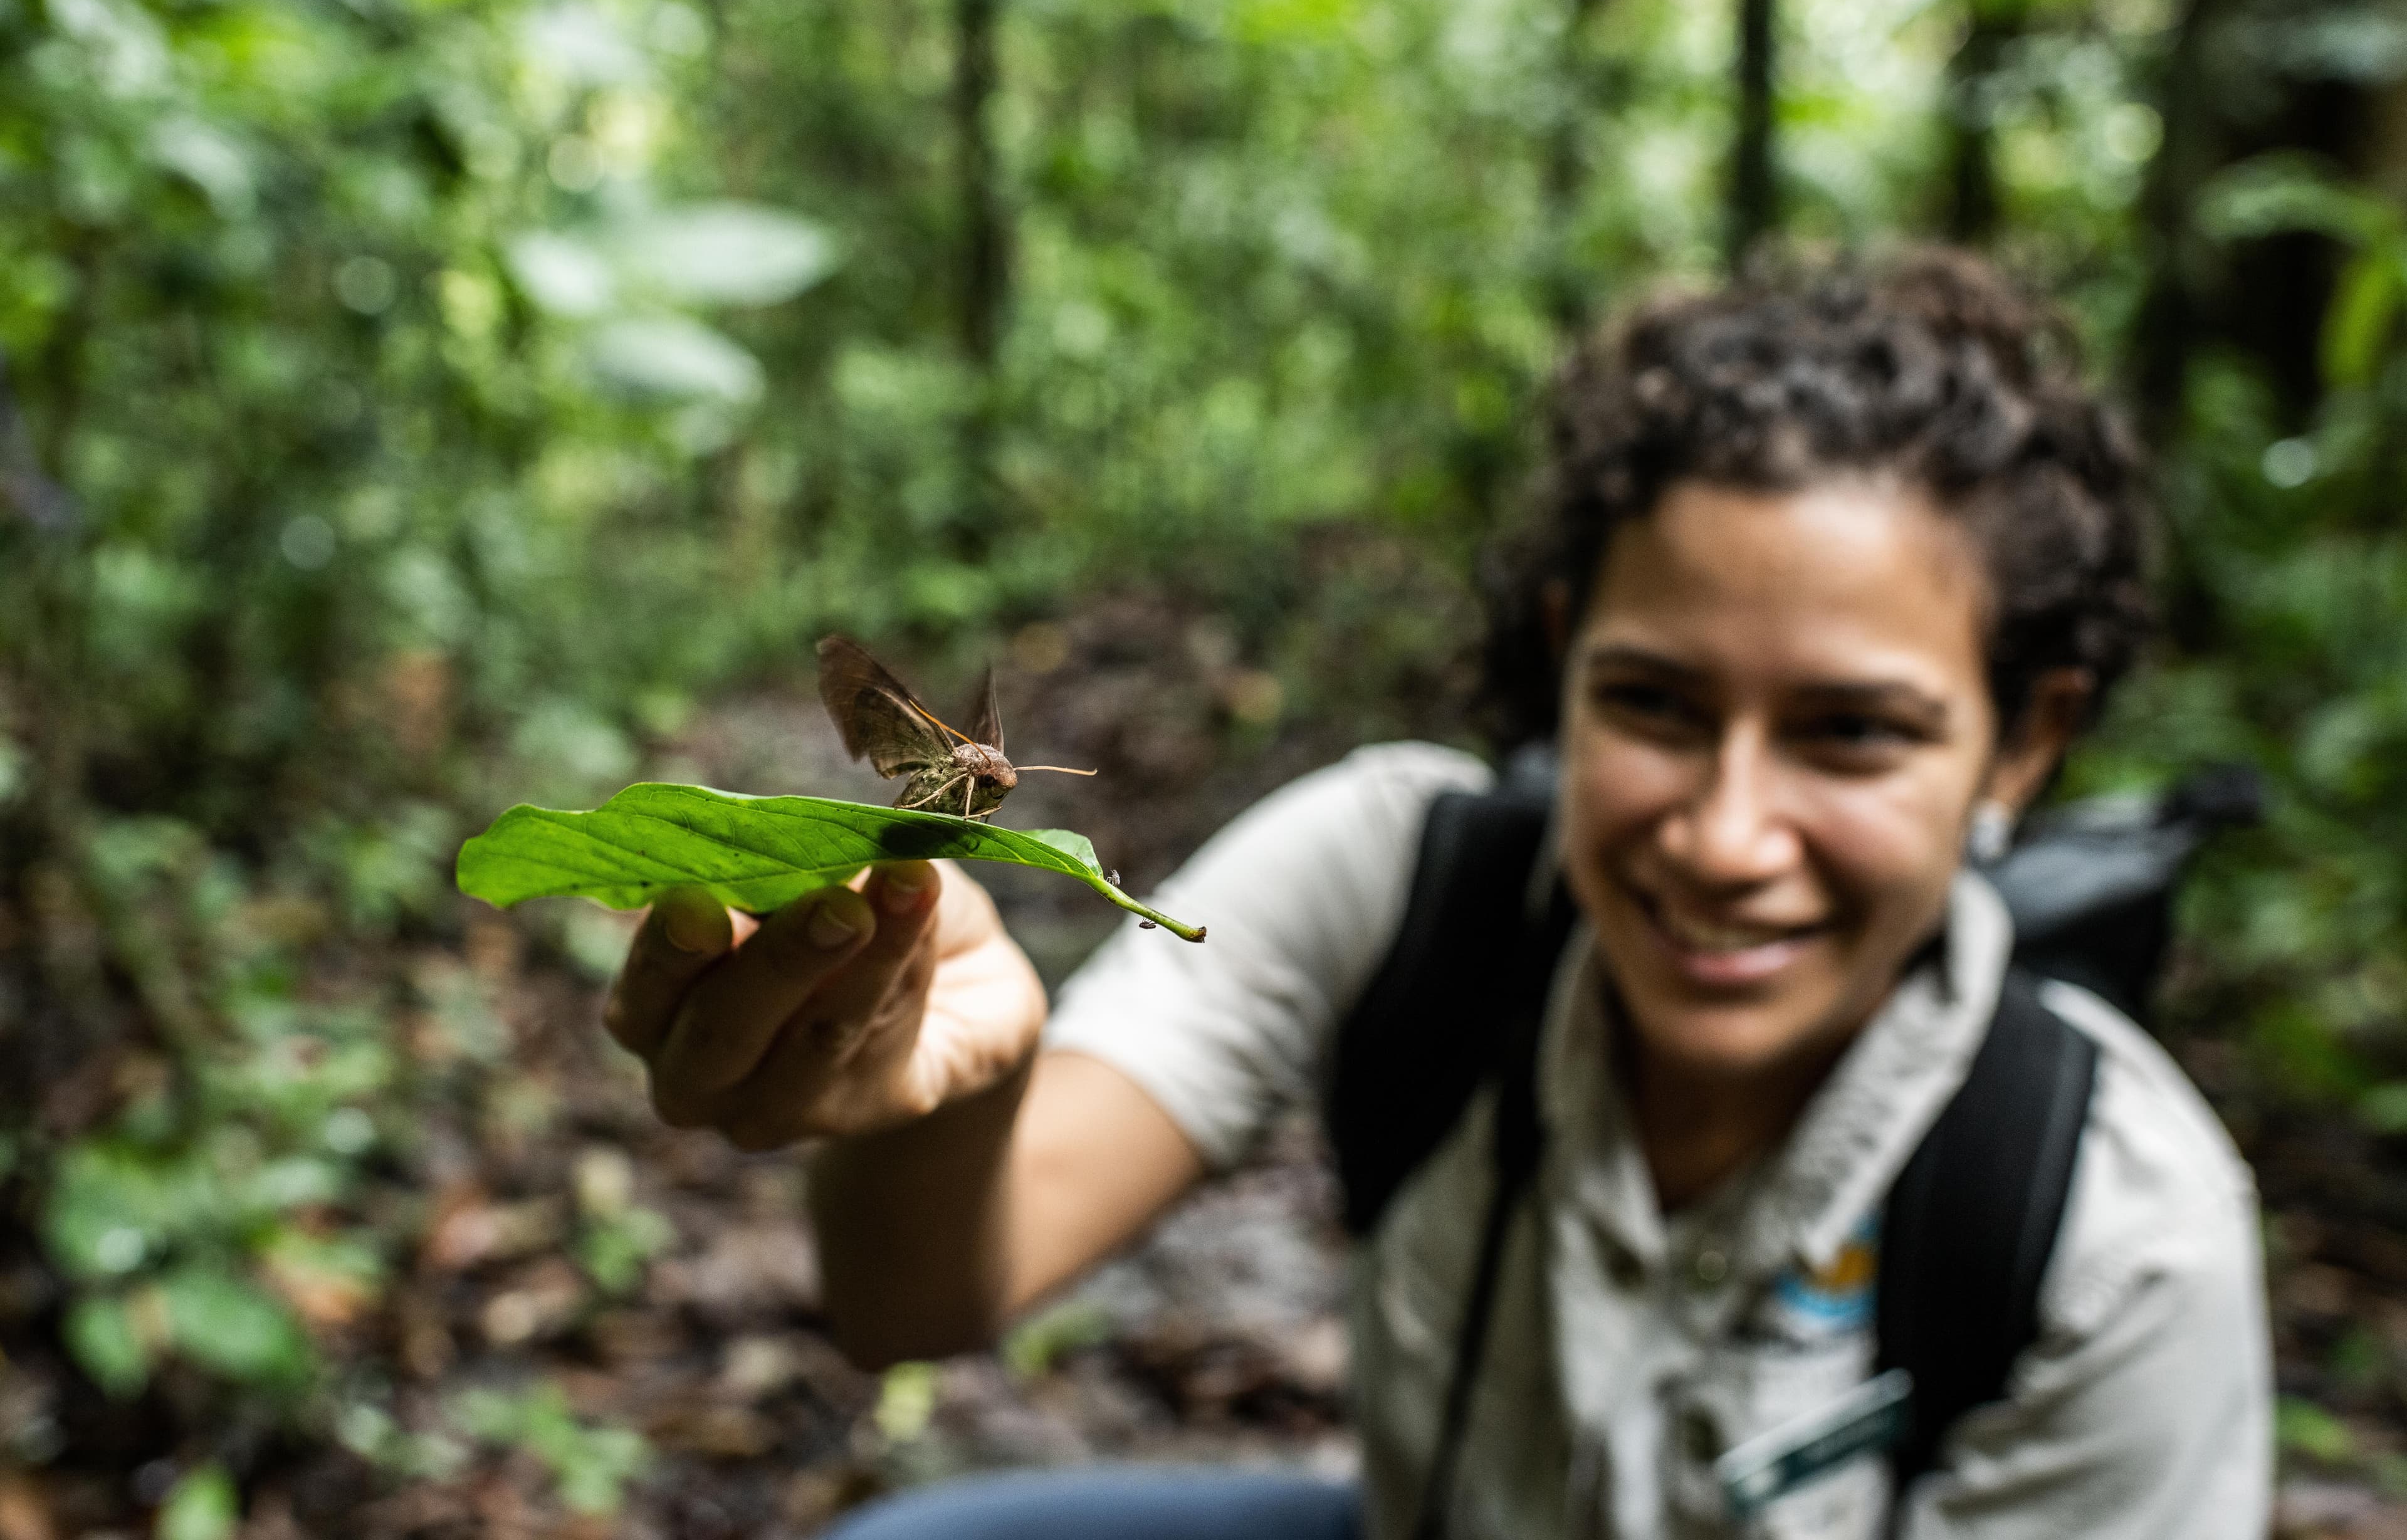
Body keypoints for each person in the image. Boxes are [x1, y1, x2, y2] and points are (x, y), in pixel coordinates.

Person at [603, 251, 2272, 1539]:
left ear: (2023, 742)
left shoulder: (2118, 1236)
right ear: (1563, 661)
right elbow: (917, 1300)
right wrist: (923, 1059)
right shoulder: (1405, 871)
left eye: (1851, 735)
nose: (1728, 835)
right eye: (1658, 706)